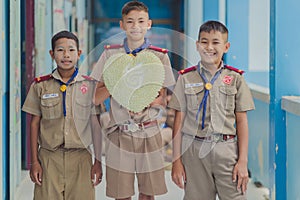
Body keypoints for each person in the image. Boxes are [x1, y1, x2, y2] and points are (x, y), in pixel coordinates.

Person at [90, 1, 175, 200]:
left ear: (149, 24)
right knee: (122, 194)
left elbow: (163, 97)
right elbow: (94, 97)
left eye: (141, 21)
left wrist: (148, 99)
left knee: (148, 193)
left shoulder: (159, 57)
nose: (135, 26)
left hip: (149, 130)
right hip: (120, 132)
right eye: (130, 21)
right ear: (122, 25)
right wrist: (117, 83)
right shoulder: (110, 54)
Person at [168, 20, 255, 200]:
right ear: (197, 45)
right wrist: (176, 161)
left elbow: (241, 121)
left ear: (226, 46)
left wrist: (243, 161)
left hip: (227, 150)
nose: (209, 47)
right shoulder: (185, 78)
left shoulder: (235, 78)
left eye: (215, 42)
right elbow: (179, 121)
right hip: (194, 151)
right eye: (204, 41)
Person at [22, 30, 102, 200]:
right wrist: (34, 162)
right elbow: (34, 124)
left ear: (79, 53)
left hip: (81, 159)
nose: (66, 55)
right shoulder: (40, 86)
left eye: (71, 50)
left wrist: (98, 162)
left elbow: (96, 125)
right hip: (49, 159)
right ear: (52, 54)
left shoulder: (90, 86)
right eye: (60, 50)